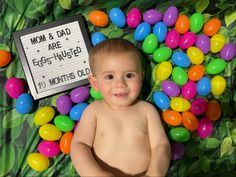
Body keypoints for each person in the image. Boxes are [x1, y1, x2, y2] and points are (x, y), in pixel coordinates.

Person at [70, 38, 171, 177]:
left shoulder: (147, 110)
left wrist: (154, 174)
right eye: (109, 77)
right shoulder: (94, 111)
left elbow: (161, 145)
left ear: (141, 78)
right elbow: (79, 145)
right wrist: (95, 174)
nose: (120, 84)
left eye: (129, 75)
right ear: (95, 83)